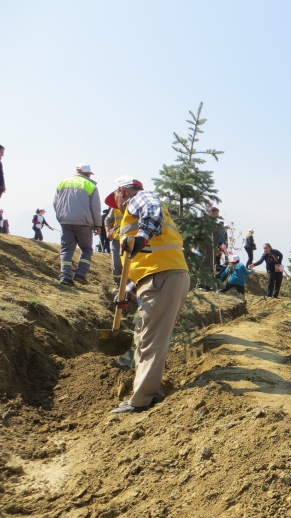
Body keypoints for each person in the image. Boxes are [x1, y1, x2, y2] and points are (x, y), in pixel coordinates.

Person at [104, 176, 190, 414]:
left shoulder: (139, 197)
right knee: (143, 336)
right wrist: (128, 292)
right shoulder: (129, 217)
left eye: (116, 199)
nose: (117, 205)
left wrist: (142, 236)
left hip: (163, 276)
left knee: (151, 340)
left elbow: (151, 209)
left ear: (122, 191)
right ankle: (146, 393)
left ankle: (143, 399)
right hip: (158, 277)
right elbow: (144, 260)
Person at [52, 164, 102, 285]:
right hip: (84, 223)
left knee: (66, 249)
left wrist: (62, 217)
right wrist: (98, 225)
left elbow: (55, 203)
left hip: (65, 221)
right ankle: (80, 274)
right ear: (87, 174)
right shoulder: (90, 185)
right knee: (86, 249)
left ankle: (65, 276)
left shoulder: (62, 183)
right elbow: (95, 207)